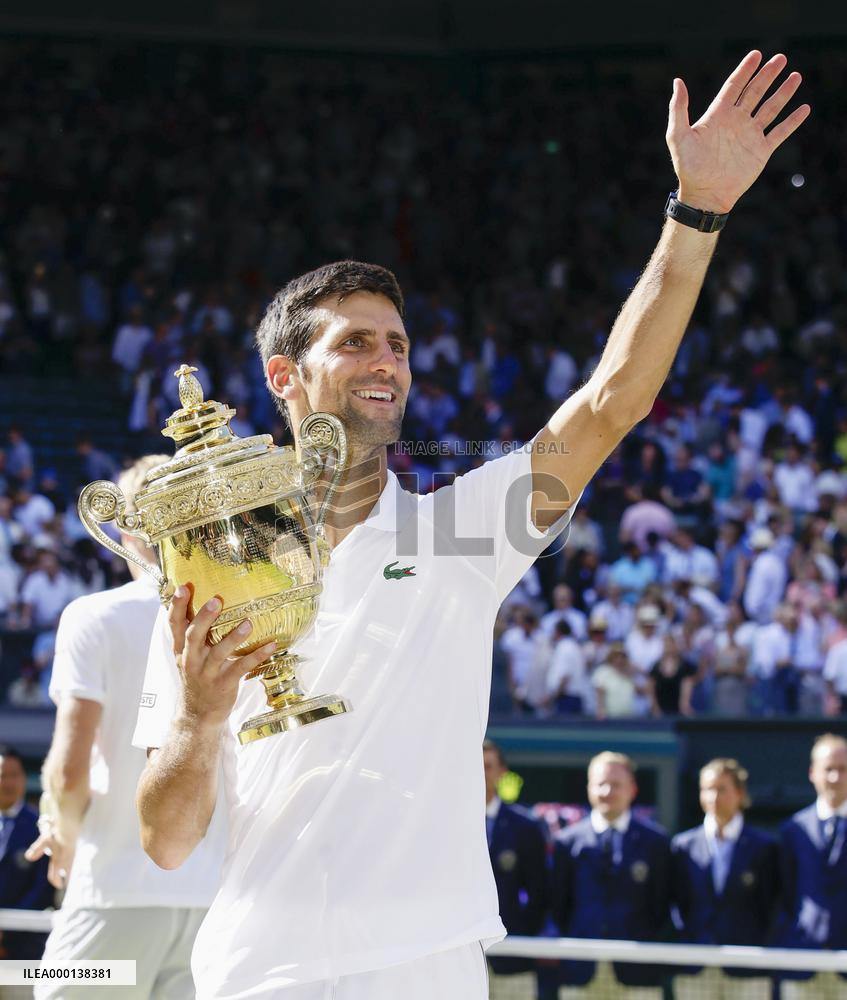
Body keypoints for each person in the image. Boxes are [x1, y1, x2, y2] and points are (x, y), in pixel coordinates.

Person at [134, 50, 809, 1000]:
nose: (387, 362)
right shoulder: (206, 575)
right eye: (355, 342)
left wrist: (695, 215)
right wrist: (200, 722)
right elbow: (164, 844)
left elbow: (611, 400)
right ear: (284, 377)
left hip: (427, 967)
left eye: (399, 345)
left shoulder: (461, 535)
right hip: (259, 973)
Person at [25, 457, 227, 1000]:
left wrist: (61, 835)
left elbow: (70, 767)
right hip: (216, 904)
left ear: (123, 526)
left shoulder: (93, 617)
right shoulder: (237, 619)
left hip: (114, 893)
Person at [551, 752, 671, 998]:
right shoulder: (566, 842)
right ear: (589, 789)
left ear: (632, 789)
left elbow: (662, 906)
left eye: (616, 784)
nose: (607, 791)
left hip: (638, 971)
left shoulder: (656, 843)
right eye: (600, 784)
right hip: (580, 970)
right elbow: (559, 905)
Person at [671, 758, 779, 1000]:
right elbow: (677, 903)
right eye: (707, 789)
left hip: (748, 968)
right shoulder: (683, 846)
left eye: (721, 789)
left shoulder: (764, 847)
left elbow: (771, 906)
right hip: (695, 966)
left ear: (740, 794)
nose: (713, 797)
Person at [778, 734, 847, 999]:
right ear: (812, 773)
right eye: (828, 769)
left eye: (842, 770)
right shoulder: (792, 830)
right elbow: (785, 894)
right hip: (802, 961)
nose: (834, 777)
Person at [483, 740, 547, 1000]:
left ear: (502, 773)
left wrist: (520, 935)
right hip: (462, 958)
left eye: (487, 766)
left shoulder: (526, 827)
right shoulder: (447, 824)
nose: (481, 772)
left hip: (514, 958)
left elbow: (539, 892)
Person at [0, 746, 53, 961]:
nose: (8, 783)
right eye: (2, 776)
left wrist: (6, 929)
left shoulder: (41, 826)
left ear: (24, 778)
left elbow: (43, 888)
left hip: (24, 946)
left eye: (14, 775)